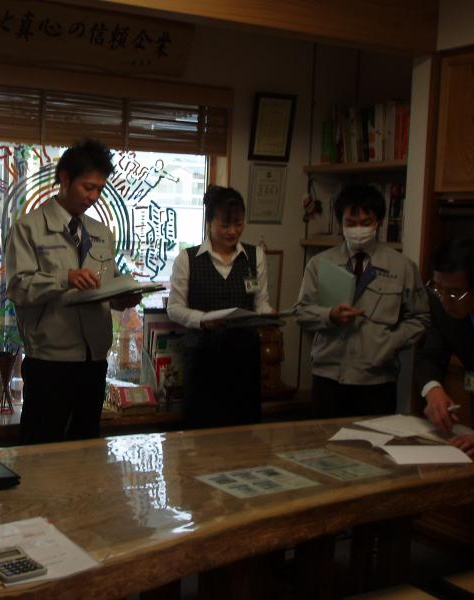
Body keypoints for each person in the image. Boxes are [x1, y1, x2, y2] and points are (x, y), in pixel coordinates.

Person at [5, 139, 140, 444]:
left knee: (87, 450)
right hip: (50, 362)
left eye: (99, 189)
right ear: (65, 178)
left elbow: (105, 286)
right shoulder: (29, 228)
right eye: (87, 187)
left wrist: (123, 297)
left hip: (94, 362)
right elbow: (18, 287)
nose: (93, 197)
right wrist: (65, 278)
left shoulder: (101, 233)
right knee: (42, 450)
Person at [296, 184, 429, 418]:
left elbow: (420, 318)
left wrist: (389, 342)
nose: (359, 229)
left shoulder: (402, 267)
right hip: (329, 376)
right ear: (340, 222)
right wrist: (330, 316)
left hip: (378, 380)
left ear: (379, 222)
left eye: (366, 223)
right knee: (324, 439)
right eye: (351, 223)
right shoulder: (320, 264)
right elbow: (301, 312)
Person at [167, 185, 273, 428]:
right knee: (201, 432)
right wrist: (202, 320)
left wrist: (270, 315)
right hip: (203, 360)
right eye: (225, 225)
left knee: (244, 432)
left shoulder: (255, 256)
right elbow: (174, 308)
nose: (232, 231)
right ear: (209, 222)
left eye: (238, 224)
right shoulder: (188, 258)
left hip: (244, 359)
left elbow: (261, 302)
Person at [416, 238, 474, 456]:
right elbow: (430, 356)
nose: (445, 301)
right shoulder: (440, 303)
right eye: (438, 288)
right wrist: (433, 390)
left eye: (454, 293)